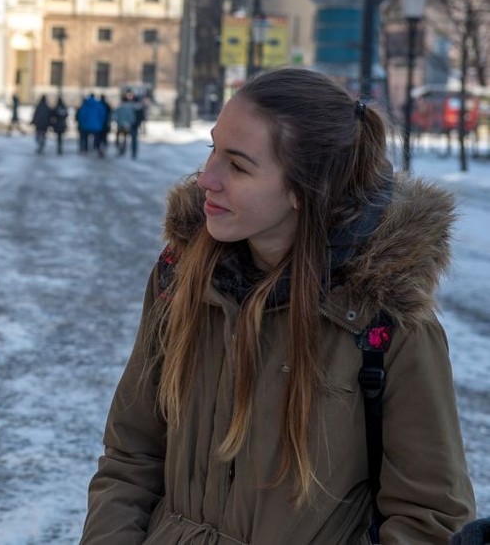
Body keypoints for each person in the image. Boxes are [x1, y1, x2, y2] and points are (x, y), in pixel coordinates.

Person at [81, 67, 475, 543]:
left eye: (238, 165)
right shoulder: (181, 275)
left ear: (305, 190)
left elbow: (428, 517)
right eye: (212, 149)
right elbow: (130, 457)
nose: (206, 179)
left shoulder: (385, 323)